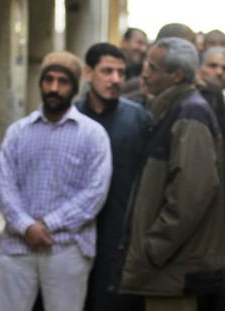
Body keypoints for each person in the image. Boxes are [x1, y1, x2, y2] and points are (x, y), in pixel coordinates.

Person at [0, 51, 112, 311]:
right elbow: (5, 185)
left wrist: (48, 225)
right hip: (17, 244)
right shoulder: (18, 132)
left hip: (67, 246)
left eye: (62, 81)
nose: (54, 88)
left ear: (75, 87)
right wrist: (26, 226)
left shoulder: (93, 135)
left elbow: (95, 192)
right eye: (49, 80)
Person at [117, 37, 225, 311]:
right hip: (167, 267)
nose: (144, 72)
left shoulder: (190, 113)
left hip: (174, 269)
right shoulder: (172, 110)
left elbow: (192, 195)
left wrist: (154, 247)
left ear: (176, 75)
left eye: (153, 68)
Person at [75, 42, 151, 311]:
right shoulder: (71, 117)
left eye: (121, 72)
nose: (116, 79)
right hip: (72, 235)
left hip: (120, 237)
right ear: (88, 73)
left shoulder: (139, 118)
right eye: (107, 71)